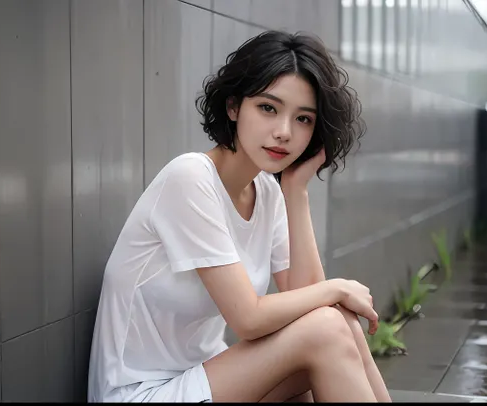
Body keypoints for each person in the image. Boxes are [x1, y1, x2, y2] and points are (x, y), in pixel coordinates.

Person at [87, 30, 391, 403]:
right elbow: (248, 319)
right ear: (234, 107)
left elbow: (307, 304)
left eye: (303, 119)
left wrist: (295, 190)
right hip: (143, 393)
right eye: (268, 108)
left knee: (336, 323)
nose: (284, 132)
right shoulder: (191, 178)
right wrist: (337, 287)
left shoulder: (266, 191)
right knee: (328, 326)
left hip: (205, 380)